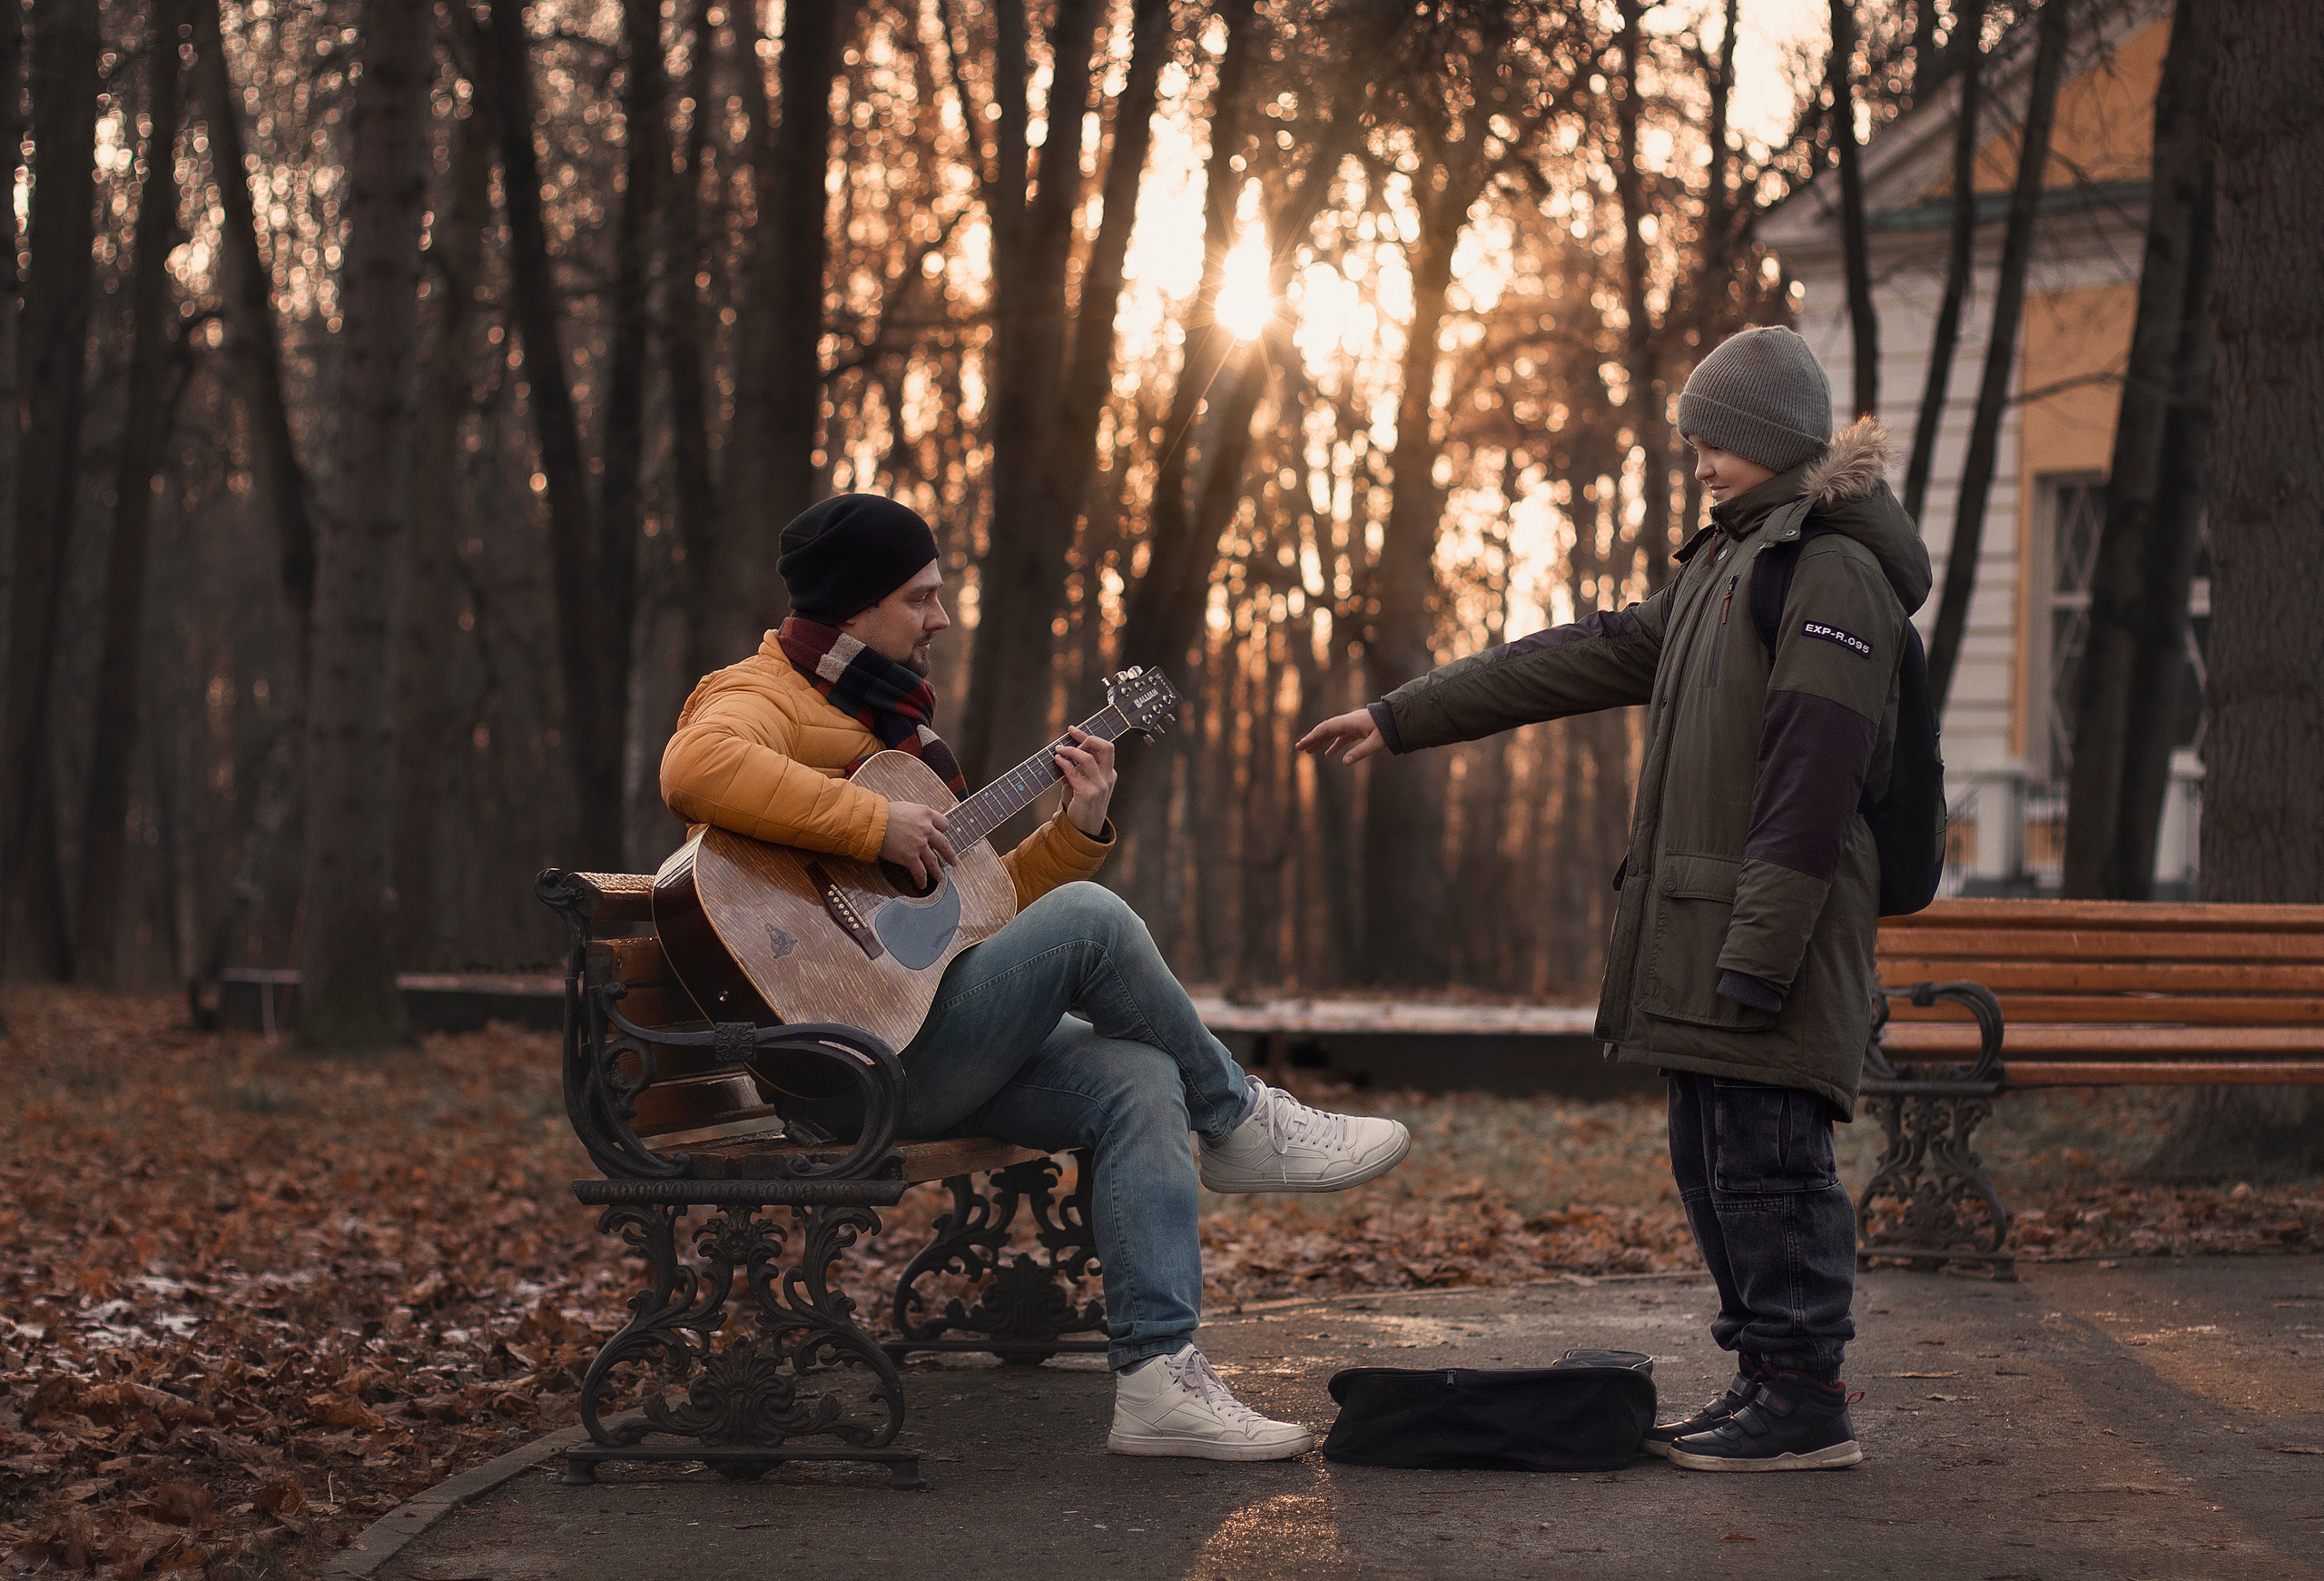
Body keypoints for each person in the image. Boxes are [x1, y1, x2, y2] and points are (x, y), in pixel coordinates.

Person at [660, 492, 1412, 1462]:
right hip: (845, 1067)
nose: (938, 618)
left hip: (913, 1027)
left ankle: (1156, 1383)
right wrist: (870, 823)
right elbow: (695, 766)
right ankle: (1238, 1119)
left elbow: (966, 920)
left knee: (1140, 1077)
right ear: (853, 607)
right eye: (920, 597)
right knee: (1092, 923)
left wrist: (1075, 830)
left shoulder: (883, 722)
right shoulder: (760, 694)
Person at [1299, 326, 1932, 1472]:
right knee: (1715, 1163)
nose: (1695, 458)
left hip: (1770, 938)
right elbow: (1575, 654)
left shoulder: (1827, 569)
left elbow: (1809, 784)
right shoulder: (1722, 565)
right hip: (1708, 931)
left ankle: (1804, 1398)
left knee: (1773, 1165)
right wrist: (1402, 715)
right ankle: (1762, 1380)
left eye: (1715, 440)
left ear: (1775, 444)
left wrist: (1761, 954)